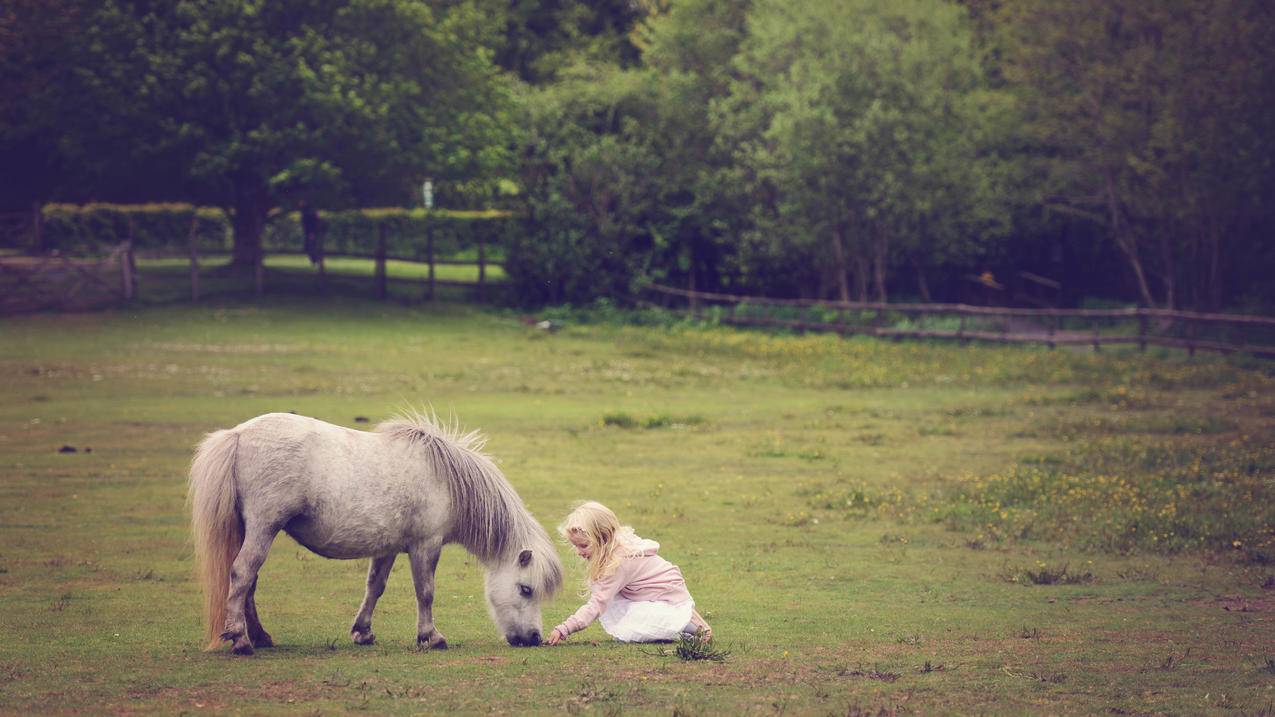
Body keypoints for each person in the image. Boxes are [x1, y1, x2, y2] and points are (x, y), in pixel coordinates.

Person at [546, 501, 711, 645]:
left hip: (667, 597)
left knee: (645, 622)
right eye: (576, 546)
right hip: (648, 594)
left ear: (603, 539)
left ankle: (694, 626)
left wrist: (564, 629)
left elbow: (597, 604)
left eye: (583, 546)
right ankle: (682, 625)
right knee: (625, 616)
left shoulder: (618, 563)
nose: (578, 552)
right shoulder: (616, 549)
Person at [300, 199, 321, 265]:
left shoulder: (309, 212)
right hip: (309, 232)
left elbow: (312, 223)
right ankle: (314, 259)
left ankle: (315, 259)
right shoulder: (307, 211)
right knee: (308, 246)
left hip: (311, 232)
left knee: (310, 246)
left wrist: (312, 233)